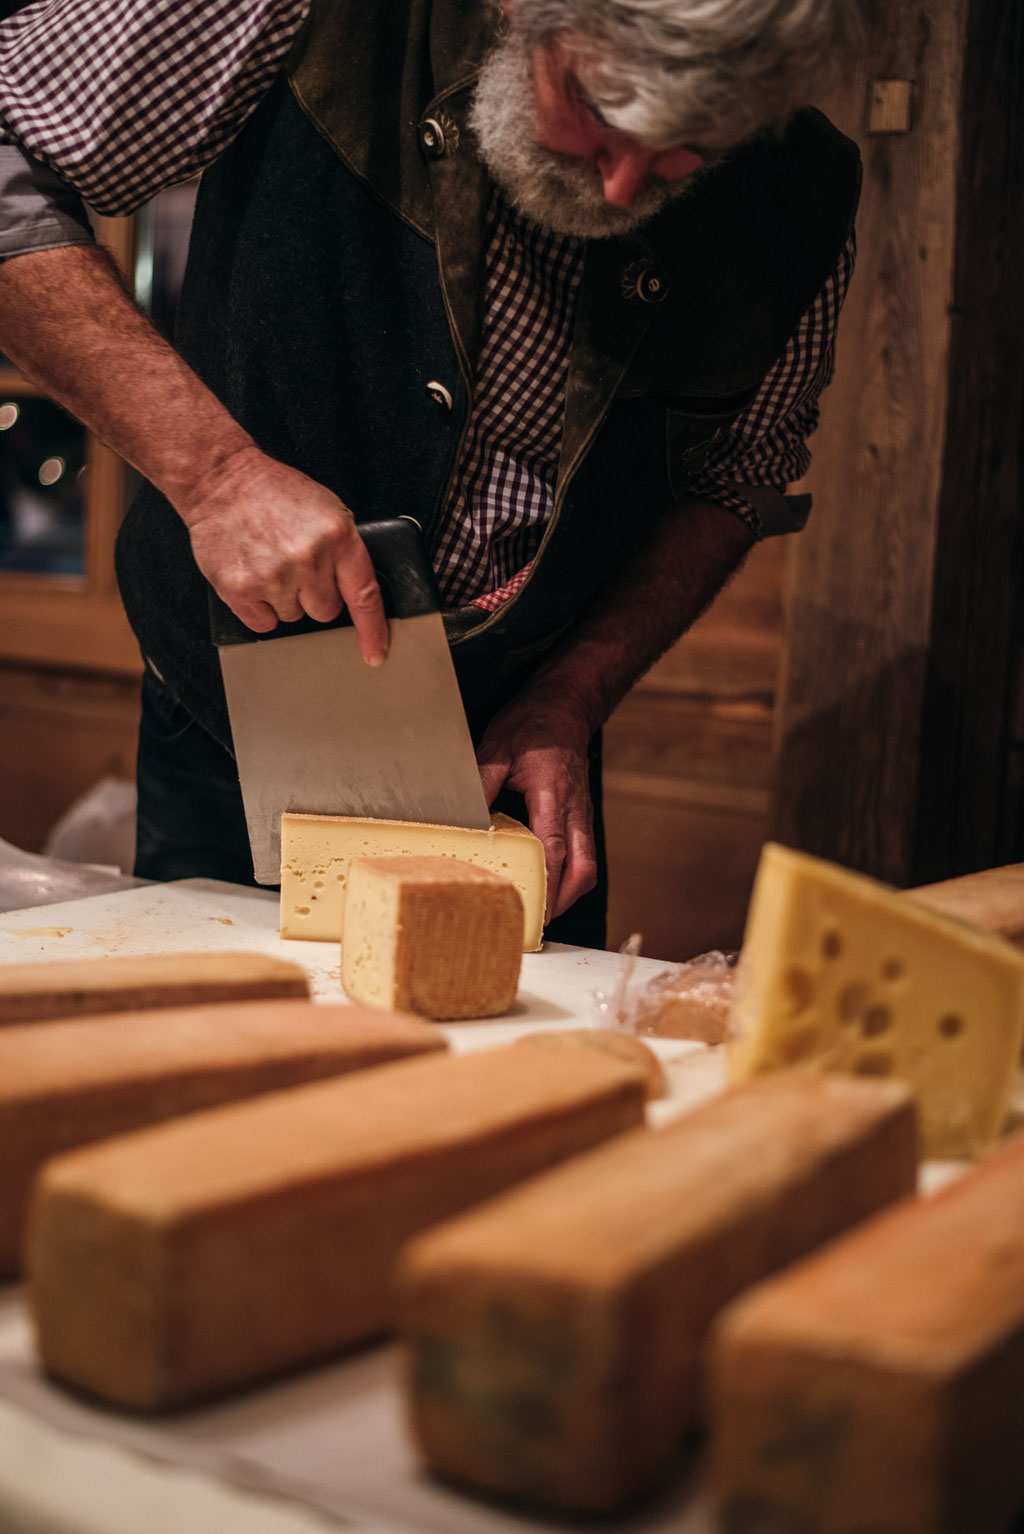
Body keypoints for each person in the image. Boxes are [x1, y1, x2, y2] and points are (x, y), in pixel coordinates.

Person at [0, 0, 866, 946]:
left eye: (685, 149)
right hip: (235, 712)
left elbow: (738, 473)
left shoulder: (802, 197)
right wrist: (215, 476)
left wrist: (573, 694)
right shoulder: (323, 15)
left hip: (523, 754)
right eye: (596, 102)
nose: (621, 187)